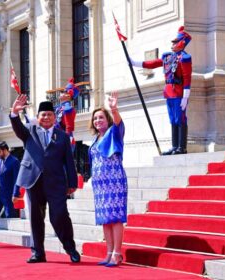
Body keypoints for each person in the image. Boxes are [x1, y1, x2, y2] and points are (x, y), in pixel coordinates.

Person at [10, 95, 80, 263]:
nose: (46, 117)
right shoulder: (30, 132)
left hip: (56, 183)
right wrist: (14, 113)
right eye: (43, 115)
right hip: (34, 181)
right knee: (35, 218)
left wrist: (72, 182)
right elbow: (18, 128)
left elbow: (69, 161)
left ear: (54, 117)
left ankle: (70, 249)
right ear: (38, 117)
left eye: (49, 114)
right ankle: (38, 253)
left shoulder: (62, 136)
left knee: (60, 215)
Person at [129, 26, 192, 155]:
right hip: (169, 92)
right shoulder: (168, 57)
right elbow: (153, 63)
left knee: (180, 119)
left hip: (179, 92)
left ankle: (182, 147)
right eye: (173, 42)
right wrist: (135, 63)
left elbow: (187, 78)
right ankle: (175, 146)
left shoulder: (185, 58)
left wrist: (186, 96)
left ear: (182, 43)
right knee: (173, 120)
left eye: (175, 42)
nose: (173, 44)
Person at [89, 91, 128, 267]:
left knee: (115, 217)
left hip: (114, 182)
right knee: (105, 218)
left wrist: (114, 109)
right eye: (95, 118)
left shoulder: (114, 132)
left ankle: (117, 253)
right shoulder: (94, 139)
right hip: (100, 184)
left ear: (108, 119)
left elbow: (119, 124)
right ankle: (109, 252)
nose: (98, 121)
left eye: (101, 118)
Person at [0, 141, 20, 228]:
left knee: (9, 216)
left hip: (8, 194)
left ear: (5, 150)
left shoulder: (14, 161)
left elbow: (16, 179)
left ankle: (12, 235)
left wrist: (15, 194)